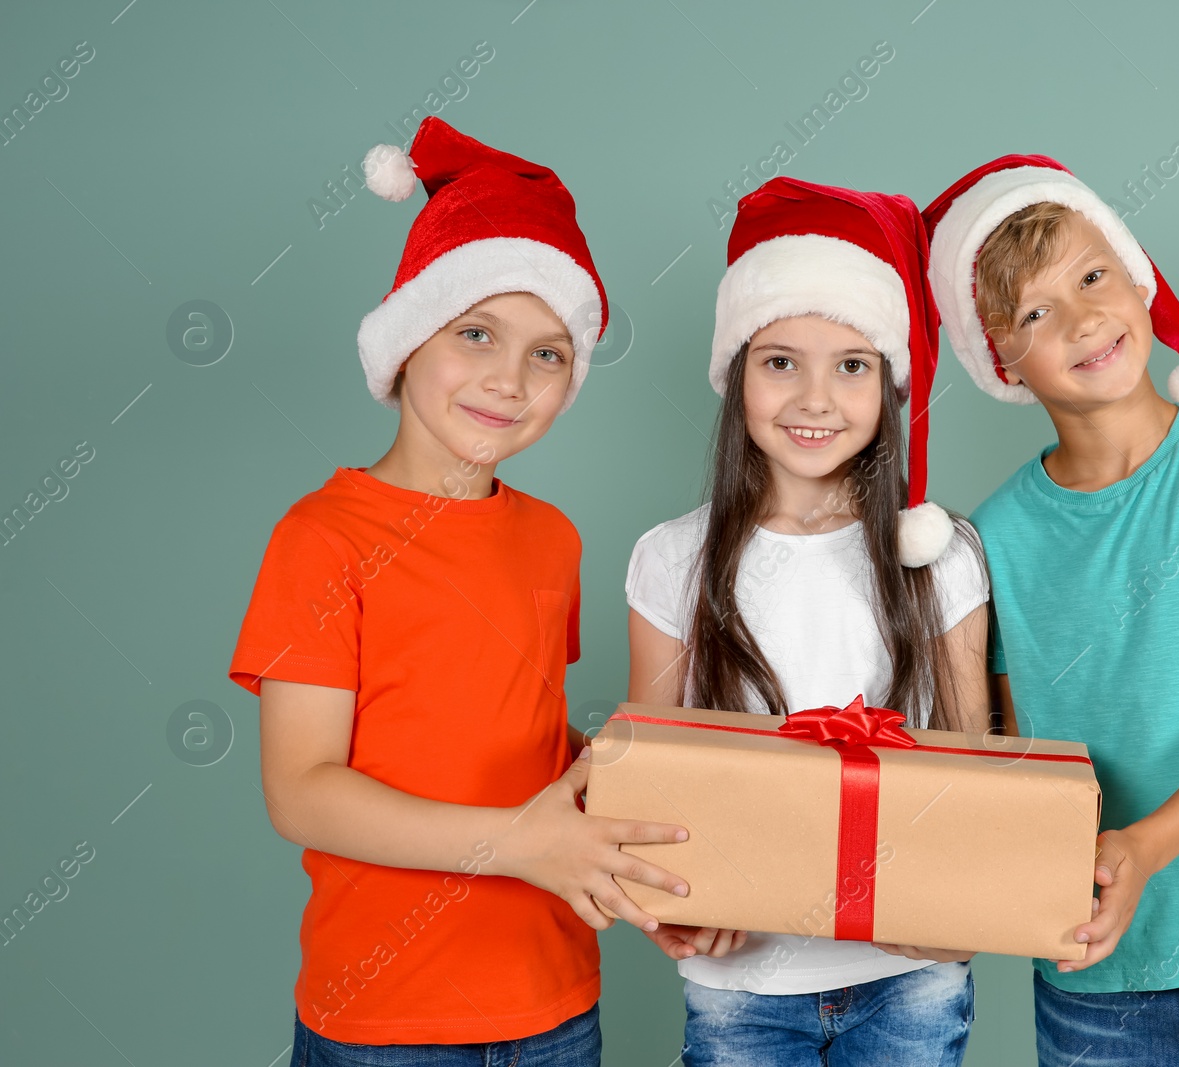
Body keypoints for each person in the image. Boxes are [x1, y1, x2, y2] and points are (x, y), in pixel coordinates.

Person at [227, 116, 689, 1067]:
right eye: (475, 333)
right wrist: (524, 844)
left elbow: (528, 742)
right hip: (387, 1017)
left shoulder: (551, 538)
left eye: (548, 354)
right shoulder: (321, 539)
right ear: (404, 345)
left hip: (555, 1004)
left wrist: (626, 857)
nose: (507, 380)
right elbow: (302, 792)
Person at [923, 154, 1179, 1066]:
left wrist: (1143, 847)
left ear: (1138, 279)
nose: (1080, 319)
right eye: (1036, 312)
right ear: (1000, 356)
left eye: (1091, 277)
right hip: (1092, 982)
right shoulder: (991, 535)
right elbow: (1006, 748)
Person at [625, 177, 990, 1066]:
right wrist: (666, 911)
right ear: (736, 374)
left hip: (909, 973)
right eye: (781, 360)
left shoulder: (938, 556)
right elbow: (650, 769)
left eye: (852, 364)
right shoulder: (672, 558)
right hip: (743, 984)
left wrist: (965, 911)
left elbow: (976, 758)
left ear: (889, 385)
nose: (814, 397)